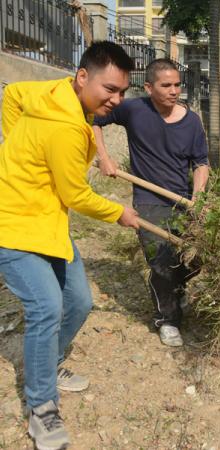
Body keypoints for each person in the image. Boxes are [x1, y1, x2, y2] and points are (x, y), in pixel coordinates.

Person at [0, 41, 139, 450]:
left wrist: (17, 144)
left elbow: (11, 95)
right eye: (109, 90)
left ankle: (47, 362)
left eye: (121, 92)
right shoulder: (63, 129)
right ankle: (41, 407)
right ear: (82, 78)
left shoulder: (51, 90)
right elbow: (78, 195)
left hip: (48, 223)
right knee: (46, 307)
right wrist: (120, 214)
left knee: (78, 302)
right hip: (14, 225)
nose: (115, 99)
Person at [93, 59, 209, 347]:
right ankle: (166, 320)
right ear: (148, 87)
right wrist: (104, 156)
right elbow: (93, 119)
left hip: (182, 198)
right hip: (147, 200)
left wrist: (198, 196)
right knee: (161, 261)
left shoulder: (192, 121)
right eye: (166, 85)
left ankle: (176, 294)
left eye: (177, 85)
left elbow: (201, 163)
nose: (174, 91)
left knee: (195, 258)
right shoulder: (134, 109)